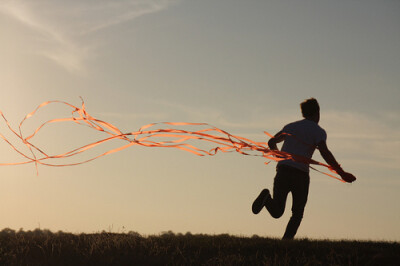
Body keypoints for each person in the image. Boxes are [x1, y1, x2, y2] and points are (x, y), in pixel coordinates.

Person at [252, 98, 356, 240]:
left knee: (277, 211)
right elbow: (325, 152)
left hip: (283, 170)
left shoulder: (290, 126)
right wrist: (341, 173)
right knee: (297, 213)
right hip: (300, 175)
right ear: (317, 113)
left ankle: (266, 197)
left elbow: (271, 141)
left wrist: (279, 156)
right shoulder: (318, 131)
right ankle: (286, 242)